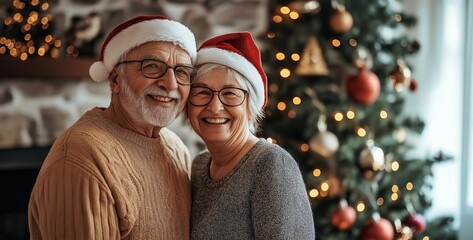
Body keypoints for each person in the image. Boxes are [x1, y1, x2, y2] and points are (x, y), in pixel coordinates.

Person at [28, 15, 197, 239]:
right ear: (116, 79)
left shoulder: (176, 148)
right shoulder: (81, 159)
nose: (171, 83)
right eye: (152, 66)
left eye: (182, 72)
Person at [188, 32, 315, 239]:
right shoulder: (200, 166)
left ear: (250, 108)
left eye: (230, 93)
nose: (214, 106)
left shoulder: (271, 164)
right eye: (202, 92)